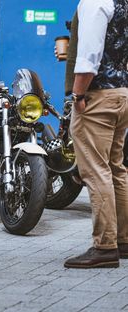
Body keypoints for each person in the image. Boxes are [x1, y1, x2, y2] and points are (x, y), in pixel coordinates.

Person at [62, 0, 128, 268]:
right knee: (116, 168)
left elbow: (89, 54)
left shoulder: (94, 1)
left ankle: (104, 247)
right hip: (121, 93)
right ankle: (123, 240)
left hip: (98, 96)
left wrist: (78, 93)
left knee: (96, 170)